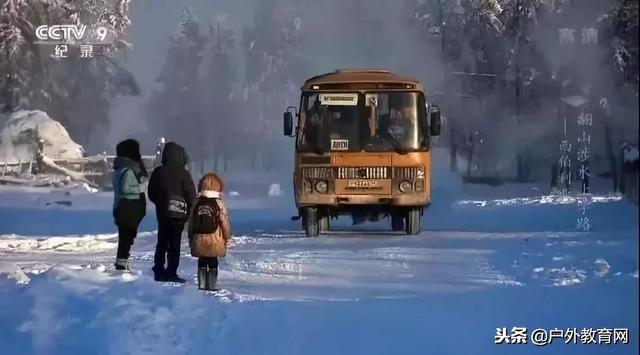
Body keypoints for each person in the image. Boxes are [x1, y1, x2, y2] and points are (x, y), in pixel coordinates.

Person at [148, 142, 197, 282]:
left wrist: (160, 202)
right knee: (174, 244)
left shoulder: (158, 172)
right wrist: (189, 212)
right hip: (179, 214)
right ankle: (171, 272)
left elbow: (151, 193)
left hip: (162, 213)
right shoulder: (184, 174)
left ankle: (158, 269)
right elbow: (191, 195)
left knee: (162, 241)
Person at [188, 173, 231, 291]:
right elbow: (224, 223)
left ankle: (202, 285)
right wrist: (227, 238)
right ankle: (211, 285)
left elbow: (191, 223)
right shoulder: (218, 203)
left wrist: (191, 238)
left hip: (199, 239)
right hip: (215, 241)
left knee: (202, 261)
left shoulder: (197, 203)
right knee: (212, 262)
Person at [112, 139, 147, 270]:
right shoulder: (128, 170)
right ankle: (122, 262)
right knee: (126, 238)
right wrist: (140, 188)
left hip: (122, 208)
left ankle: (122, 261)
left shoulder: (119, 169)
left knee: (125, 237)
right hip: (129, 207)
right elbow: (127, 189)